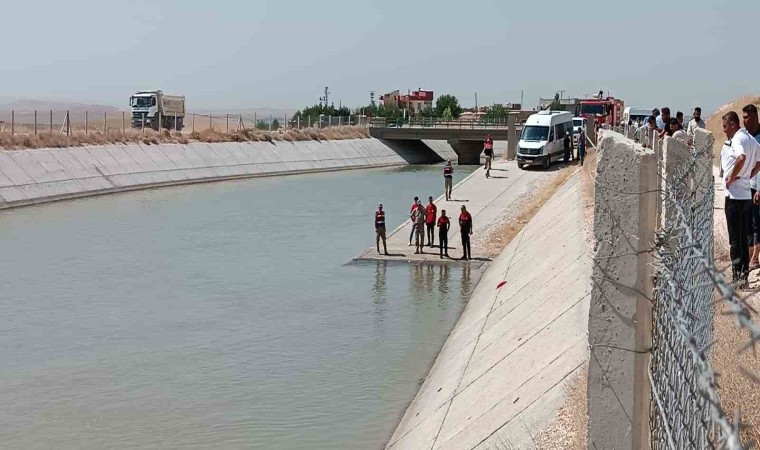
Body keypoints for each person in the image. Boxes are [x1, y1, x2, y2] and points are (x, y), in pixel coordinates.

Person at [721, 111, 759, 287]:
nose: (724, 130)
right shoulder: (750, 138)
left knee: (735, 239)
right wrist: (748, 175)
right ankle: (743, 276)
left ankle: (737, 277)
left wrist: (732, 177)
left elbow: (741, 158)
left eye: (725, 126)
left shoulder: (737, 138)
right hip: (745, 196)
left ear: (733, 124)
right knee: (744, 238)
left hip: (735, 196)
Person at [743, 104, 760, 270]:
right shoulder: (745, 136)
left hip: (757, 186)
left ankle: (754, 258)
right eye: (743, 117)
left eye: (747, 117)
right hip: (746, 186)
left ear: (755, 117)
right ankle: (750, 255)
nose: (744, 120)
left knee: (756, 222)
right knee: (747, 222)